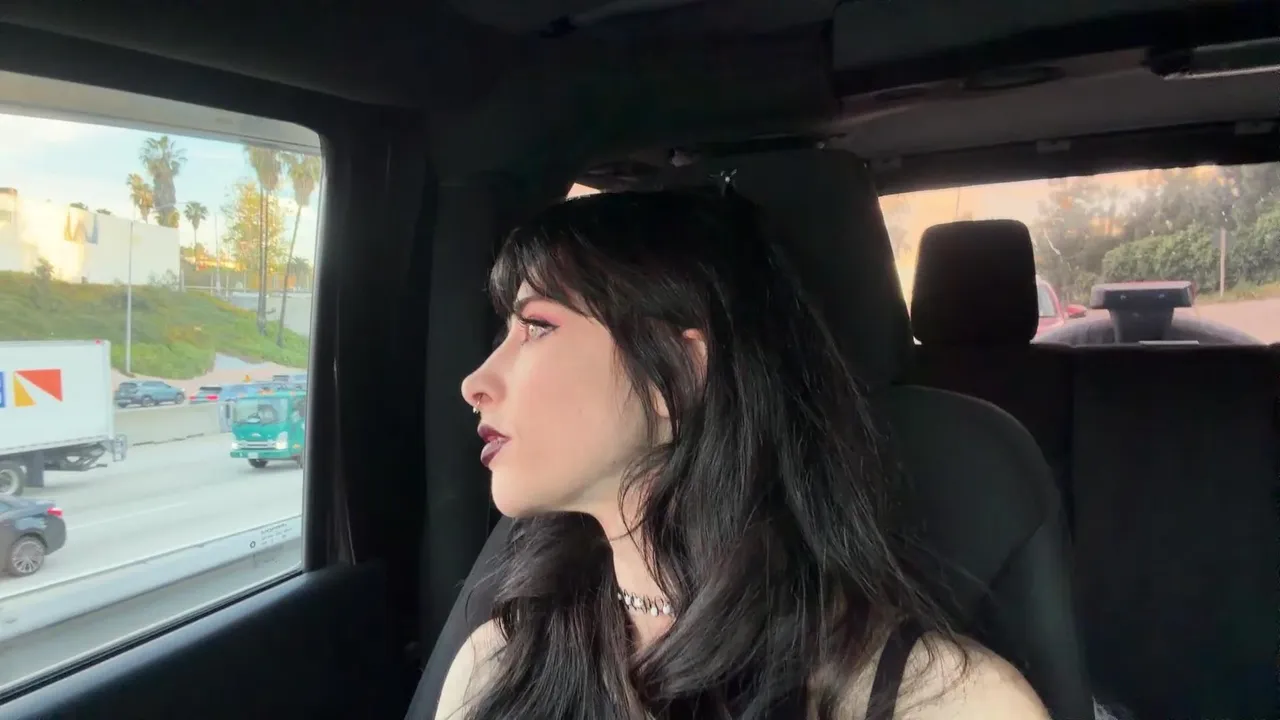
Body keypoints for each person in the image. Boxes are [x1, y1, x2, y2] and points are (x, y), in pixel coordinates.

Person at [440, 189, 1050, 719]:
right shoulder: (498, 660)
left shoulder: (947, 703)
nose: (474, 383)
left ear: (678, 373)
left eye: (537, 326)